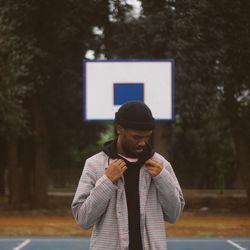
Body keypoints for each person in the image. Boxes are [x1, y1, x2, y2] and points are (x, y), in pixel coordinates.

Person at [72, 101, 185, 250]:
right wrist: (106, 182)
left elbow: (174, 214)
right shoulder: (94, 164)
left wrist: (162, 178)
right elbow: (83, 219)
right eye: (136, 137)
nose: (142, 143)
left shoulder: (160, 165)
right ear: (120, 129)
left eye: (147, 137)